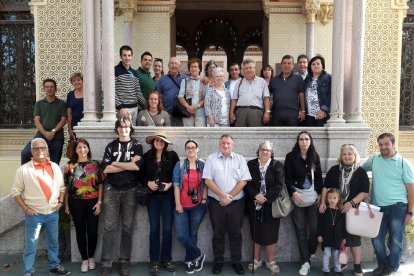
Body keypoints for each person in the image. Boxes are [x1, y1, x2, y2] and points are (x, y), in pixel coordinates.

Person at [12, 138, 71, 276]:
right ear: (31, 152)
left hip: (52, 212)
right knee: (31, 244)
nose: (40, 151)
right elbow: (16, 193)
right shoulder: (23, 170)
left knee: (54, 242)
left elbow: (62, 187)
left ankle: (54, 267)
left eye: (43, 148)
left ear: (47, 150)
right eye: (36, 148)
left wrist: (60, 203)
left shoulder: (55, 167)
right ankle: (28, 271)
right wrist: (26, 209)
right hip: (34, 214)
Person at [361, 132, 414, 276]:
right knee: (376, 239)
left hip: (398, 207)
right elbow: (359, 170)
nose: (383, 147)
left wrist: (410, 212)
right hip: (377, 207)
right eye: (381, 144)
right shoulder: (374, 160)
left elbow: (411, 189)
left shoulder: (404, 163)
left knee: (395, 241)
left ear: (393, 144)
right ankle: (382, 265)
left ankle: (391, 268)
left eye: (386, 144)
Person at [100, 116, 144, 276]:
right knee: (109, 227)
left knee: (127, 227)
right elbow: (105, 169)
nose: (124, 129)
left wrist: (115, 163)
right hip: (111, 190)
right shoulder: (111, 146)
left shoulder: (137, 145)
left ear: (130, 128)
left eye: (126, 127)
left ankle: (124, 261)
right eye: (121, 126)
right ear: (117, 128)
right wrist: (126, 165)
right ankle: (106, 263)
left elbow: (136, 167)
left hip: (130, 191)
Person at [203, 134, 251, 275]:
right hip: (216, 202)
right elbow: (207, 180)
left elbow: (244, 181)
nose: (226, 145)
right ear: (219, 144)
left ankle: (236, 262)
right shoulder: (211, 159)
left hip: (236, 203)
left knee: (236, 233)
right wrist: (222, 196)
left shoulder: (240, 159)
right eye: (223, 143)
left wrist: (229, 196)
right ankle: (218, 262)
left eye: (228, 143)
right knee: (218, 233)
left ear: (232, 145)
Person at [319, 144, 369, 276]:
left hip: (353, 210)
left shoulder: (360, 171)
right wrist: (323, 202)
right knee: (338, 236)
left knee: (353, 238)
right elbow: (325, 187)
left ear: (355, 156)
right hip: (335, 210)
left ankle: (357, 265)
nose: (347, 156)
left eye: (350, 154)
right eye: (344, 154)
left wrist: (350, 203)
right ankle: (341, 262)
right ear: (341, 156)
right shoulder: (334, 170)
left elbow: (364, 193)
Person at [284, 131, 323, 276]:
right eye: (301, 139)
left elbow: (319, 177)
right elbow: (287, 178)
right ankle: (305, 261)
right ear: (298, 141)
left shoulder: (315, 156)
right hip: (297, 197)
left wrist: (320, 195)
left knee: (314, 228)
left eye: (307, 139)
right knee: (300, 230)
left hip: (313, 198)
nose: (304, 142)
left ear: (310, 141)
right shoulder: (291, 157)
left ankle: (310, 251)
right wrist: (293, 192)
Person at [64, 138, 104, 273]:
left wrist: (99, 202)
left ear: (88, 148)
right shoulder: (70, 166)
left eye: (84, 147)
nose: (82, 150)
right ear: (75, 150)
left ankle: (91, 257)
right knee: (80, 232)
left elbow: (100, 184)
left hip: (93, 202)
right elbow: (67, 187)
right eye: (79, 147)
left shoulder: (96, 164)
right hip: (75, 203)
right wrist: (66, 205)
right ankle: (84, 259)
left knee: (92, 231)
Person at [142, 131, 179, 275]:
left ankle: (166, 259)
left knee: (168, 230)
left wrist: (170, 184)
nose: (159, 142)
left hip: (168, 197)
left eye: (162, 141)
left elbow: (177, 174)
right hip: (152, 197)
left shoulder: (172, 156)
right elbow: (140, 176)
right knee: (154, 229)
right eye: (156, 140)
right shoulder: (146, 157)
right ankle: (154, 261)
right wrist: (148, 183)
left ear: (165, 143)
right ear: (153, 142)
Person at [245, 141, 284, 274]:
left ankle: (271, 261)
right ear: (258, 151)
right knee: (256, 232)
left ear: (271, 152)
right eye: (262, 149)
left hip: (270, 205)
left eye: (267, 150)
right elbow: (246, 182)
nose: (265, 152)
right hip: (254, 203)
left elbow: (279, 185)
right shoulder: (251, 164)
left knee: (271, 234)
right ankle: (256, 260)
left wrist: (265, 198)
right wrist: (256, 195)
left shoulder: (277, 165)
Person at [172, 139, 208, 274]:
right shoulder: (180, 164)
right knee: (181, 235)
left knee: (192, 233)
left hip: (198, 205)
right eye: (188, 147)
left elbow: (207, 182)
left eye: (193, 147)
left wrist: (204, 199)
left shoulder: (203, 164)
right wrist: (177, 203)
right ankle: (199, 254)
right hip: (181, 205)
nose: (191, 149)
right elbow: (176, 184)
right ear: (185, 150)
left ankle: (190, 261)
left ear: (197, 149)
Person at [21, 78, 67, 165]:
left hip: (57, 138)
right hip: (40, 136)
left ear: (55, 89)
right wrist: (45, 133)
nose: (49, 89)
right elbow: (36, 120)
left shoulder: (62, 104)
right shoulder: (39, 104)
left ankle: (52, 178)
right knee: (25, 153)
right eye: (47, 87)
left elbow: (63, 120)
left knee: (54, 163)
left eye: (51, 87)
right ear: (44, 89)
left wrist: (53, 132)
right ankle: (26, 175)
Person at [229, 59, 270, 127]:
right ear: (243, 70)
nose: (248, 70)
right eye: (246, 68)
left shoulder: (262, 81)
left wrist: (267, 112)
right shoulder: (239, 82)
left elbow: (266, 98)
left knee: (255, 135)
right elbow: (234, 99)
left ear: (254, 68)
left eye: (250, 67)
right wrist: (231, 113)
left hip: (256, 113)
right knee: (240, 135)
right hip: (240, 113)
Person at [269, 55, 305, 126]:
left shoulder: (298, 79)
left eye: (289, 63)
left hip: (293, 114)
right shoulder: (274, 80)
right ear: (281, 65)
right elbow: (267, 96)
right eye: (284, 63)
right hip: (277, 114)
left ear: (293, 65)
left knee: (292, 136)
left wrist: (303, 111)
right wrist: (267, 111)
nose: (286, 65)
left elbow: (301, 95)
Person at [317, 188, 346, 276]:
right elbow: (320, 224)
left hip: (337, 237)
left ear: (338, 199)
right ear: (326, 198)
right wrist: (319, 235)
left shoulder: (341, 212)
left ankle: (337, 269)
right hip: (326, 236)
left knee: (336, 254)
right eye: (330, 198)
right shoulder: (324, 210)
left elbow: (344, 226)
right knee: (327, 254)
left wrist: (344, 237)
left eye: (334, 198)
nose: (332, 200)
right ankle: (326, 269)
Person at [115, 45, 146, 124]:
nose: (127, 58)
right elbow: (112, 92)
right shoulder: (115, 70)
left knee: (133, 131)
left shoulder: (134, 73)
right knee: (123, 131)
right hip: (122, 109)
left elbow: (138, 92)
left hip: (134, 108)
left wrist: (147, 106)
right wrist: (120, 107)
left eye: (129, 55)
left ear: (132, 56)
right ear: (120, 56)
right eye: (124, 55)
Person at [156, 57, 185, 126]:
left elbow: (196, 79)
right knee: (167, 134)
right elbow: (159, 96)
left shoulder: (185, 78)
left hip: (181, 114)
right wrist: (162, 110)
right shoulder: (162, 79)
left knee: (181, 135)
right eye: (172, 63)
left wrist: (205, 79)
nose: (174, 65)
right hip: (166, 113)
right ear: (168, 66)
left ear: (179, 66)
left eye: (176, 63)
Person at [178, 58, 207, 127]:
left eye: (195, 67)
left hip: (200, 113)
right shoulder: (184, 81)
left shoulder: (204, 82)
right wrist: (188, 107)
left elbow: (206, 98)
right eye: (191, 67)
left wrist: (196, 106)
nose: (193, 69)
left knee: (199, 135)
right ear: (189, 69)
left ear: (199, 69)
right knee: (188, 135)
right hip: (188, 113)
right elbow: (180, 96)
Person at [304, 55, 331, 126]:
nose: (315, 65)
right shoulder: (307, 79)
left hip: (322, 115)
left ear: (322, 66)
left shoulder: (328, 78)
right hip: (309, 115)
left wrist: (324, 110)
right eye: (313, 64)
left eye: (318, 64)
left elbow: (331, 95)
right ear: (310, 67)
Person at [66, 72, 84, 140]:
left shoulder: (88, 93)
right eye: (74, 81)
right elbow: (69, 113)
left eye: (78, 80)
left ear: (82, 81)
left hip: (87, 123)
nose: (76, 82)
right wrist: (70, 128)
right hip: (75, 125)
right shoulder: (70, 95)